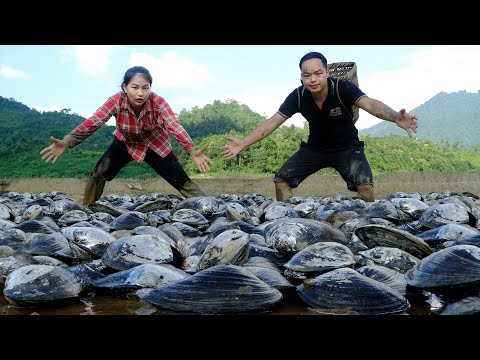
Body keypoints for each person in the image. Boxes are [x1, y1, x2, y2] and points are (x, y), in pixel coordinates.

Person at [222, 51, 419, 202]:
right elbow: (272, 121)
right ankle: (284, 220)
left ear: (327, 72)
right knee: (281, 180)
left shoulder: (343, 88)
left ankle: (369, 222)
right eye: (307, 75)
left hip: (347, 148)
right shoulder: (298, 96)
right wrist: (243, 143)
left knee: (365, 186)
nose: (313, 79)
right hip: (315, 149)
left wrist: (395, 117)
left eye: (317, 73)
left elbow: (370, 104)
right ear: (301, 77)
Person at [40, 65, 212, 206]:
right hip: (125, 143)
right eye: (135, 87)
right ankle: (86, 208)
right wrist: (68, 141)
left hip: (156, 144)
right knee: (99, 173)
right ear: (125, 87)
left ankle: (208, 205)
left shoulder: (158, 102)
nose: (140, 93)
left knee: (181, 179)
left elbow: (174, 124)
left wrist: (192, 149)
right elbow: (95, 121)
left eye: (145, 88)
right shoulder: (116, 101)